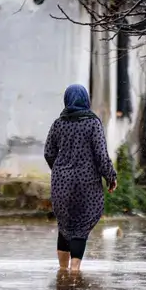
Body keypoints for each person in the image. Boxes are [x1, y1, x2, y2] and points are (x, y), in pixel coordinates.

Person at [44, 84, 117, 273]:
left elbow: (49, 152)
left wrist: (60, 170)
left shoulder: (58, 124)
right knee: (81, 226)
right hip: (87, 184)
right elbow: (101, 155)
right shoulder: (93, 123)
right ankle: (75, 271)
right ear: (86, 100)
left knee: (65, 224)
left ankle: (63, 272)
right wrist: (110, 177)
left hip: (62, 184)